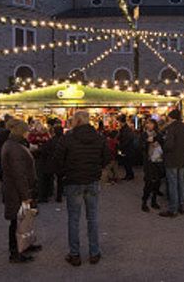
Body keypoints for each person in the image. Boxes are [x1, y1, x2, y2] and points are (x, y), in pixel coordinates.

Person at [54, 111, 109, 266]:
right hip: (92, 180)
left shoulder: (67, 138)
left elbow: (58, 159)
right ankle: (94, 252)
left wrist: (65, 172)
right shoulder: (99, 138)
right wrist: (97, 168)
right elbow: (107, 157)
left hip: (73, 181)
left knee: (74, 219)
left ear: (76, 121)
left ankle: (75, 254)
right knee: (92, 218)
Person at [1, 120, 40, 263]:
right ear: (22, 131)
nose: (29, 133)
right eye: (27, 130)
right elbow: (19, 174)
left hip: (16, 189)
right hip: (16, 191)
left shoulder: (13, 144)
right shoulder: (15, 148)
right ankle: (16, 252)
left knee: (24, 220)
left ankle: (24, 245)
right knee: (17, 222)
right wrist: (26, 195)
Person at [159, 109, 184, 217]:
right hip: (182, 158)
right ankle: (182, 206)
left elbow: (168, 145)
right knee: (181, 182)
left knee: (173, 184)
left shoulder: (171, 128)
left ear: (171, 117)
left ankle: (173, 209)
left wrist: (163, 146)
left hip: (172, 159)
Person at [140, 119, 164, 212]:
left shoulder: (158, 134)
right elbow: (140, 147)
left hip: (158, 161)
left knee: (157, 182)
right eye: (147, 124)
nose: (148, 125)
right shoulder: (144, 135)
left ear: (154, 125)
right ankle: (144, 202)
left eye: (150, 123)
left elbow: (163, 143)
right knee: (148, 182)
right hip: (149, 162)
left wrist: (157, 141)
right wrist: (147, 142)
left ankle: (154, 201)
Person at [117, 116, 136, 181]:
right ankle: (129, 175)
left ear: (122, 122)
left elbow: (127, 140)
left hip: (127, 149)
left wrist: (121, 146)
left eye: (119, 122)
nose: (118, 123)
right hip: (126, 148)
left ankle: (129, 175)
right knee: (126, 163)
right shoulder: (124, 129)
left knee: (127, 163)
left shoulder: (126, 129)